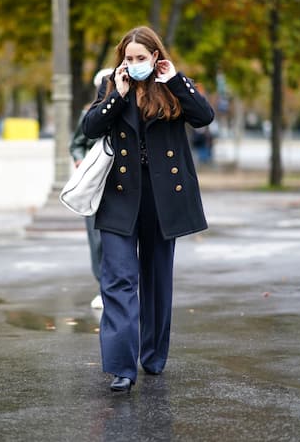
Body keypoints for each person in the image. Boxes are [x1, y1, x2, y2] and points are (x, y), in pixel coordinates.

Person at [82, 26, 214, 393]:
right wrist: (117, 96)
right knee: (118, 279)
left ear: (156, 56)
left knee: (157, 279)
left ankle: (153, 355)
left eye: (142, 58)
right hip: (120, 197)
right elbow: (90, 126)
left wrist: (176, 80)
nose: (135, 64)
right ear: (122, 58)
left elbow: (204, 117)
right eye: (129, 58)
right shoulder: (112, 85)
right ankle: (122, 367)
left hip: (161, 197)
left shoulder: (171, 86)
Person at [69, 68, 113, 310]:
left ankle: (122, 288)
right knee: (96, 239)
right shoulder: (88, 114)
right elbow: (76, 144)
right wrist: (80, 161)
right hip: (94, 184)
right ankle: (102, 287)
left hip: (119, 184)